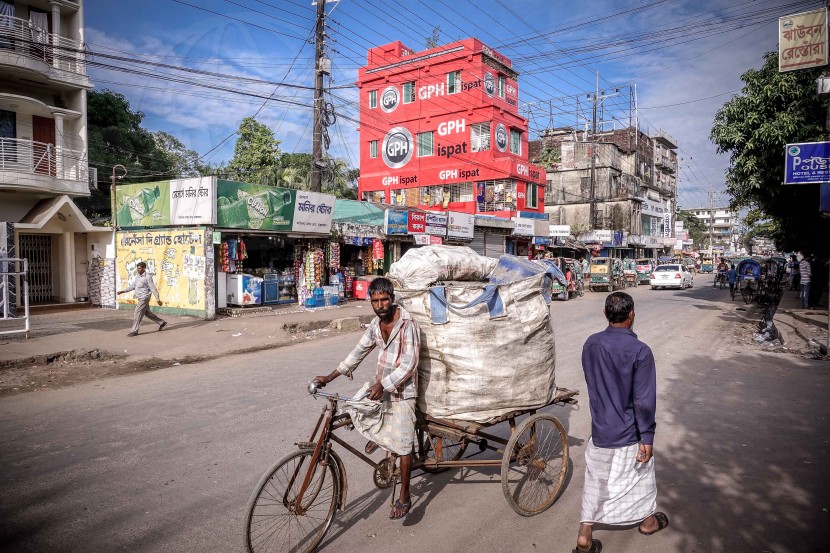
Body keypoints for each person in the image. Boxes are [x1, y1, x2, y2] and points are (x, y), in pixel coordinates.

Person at [312, 277, 420, 520]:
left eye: (384, 300)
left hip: (403, 391)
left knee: (404, 445)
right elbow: (357, 352)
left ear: (392, 299)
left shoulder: (408, 324)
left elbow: (410, 364)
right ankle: (380, 437)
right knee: (353, 406)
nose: (380, 305)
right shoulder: (375, 324)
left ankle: (405, 494)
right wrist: (329, 377)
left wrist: (384, 385)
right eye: (375, 301)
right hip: (380, 386)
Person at [573, 292, 668, 553]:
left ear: (605, 314)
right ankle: (648, 522)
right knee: (641, 480)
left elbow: (595, 384)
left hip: (601, 431)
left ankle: (585, 534)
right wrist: (647, 437)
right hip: (629, 433)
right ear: (632, 314)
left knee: (596, 482)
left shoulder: (591, 344)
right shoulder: (640, 351)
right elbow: (644, 401)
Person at [117, 261, 167, 337]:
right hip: (140, 297)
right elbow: (133, 286)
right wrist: (123, 291)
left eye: (140, 268)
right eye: (137, 268)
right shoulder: (138, 276)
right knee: (147, 313)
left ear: (144, 268)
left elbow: (153, 288)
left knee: (137, 312)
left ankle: (134, 331)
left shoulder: (147, 277)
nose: (138, 270)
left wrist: (158, 299)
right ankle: (161, 322)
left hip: (144, 298)